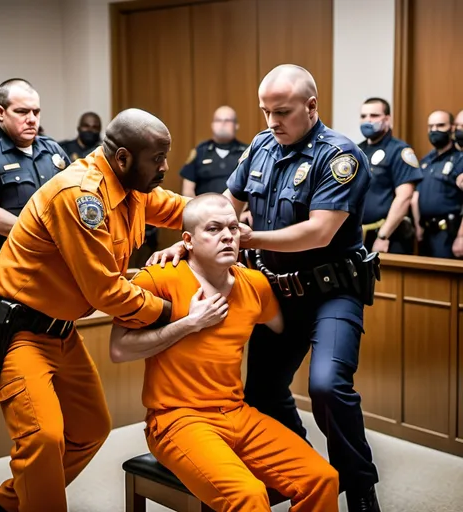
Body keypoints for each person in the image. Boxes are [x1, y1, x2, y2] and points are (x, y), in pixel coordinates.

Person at [148, 64, 382, 512]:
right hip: (277, 291)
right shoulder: (260, 146)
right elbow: (223, 206)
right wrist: (192, 242)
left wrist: (249, 238)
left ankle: (360, 488)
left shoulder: (341, 156)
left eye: (282, 112)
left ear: (311, 107)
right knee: (262, 392)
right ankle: (307, 466)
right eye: (265, 112)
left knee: (328, 385)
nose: (272, 122)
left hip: (331, 291)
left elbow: (319, 232)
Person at [0, 108, 188, 512]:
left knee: (90, 428)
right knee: (44, 436)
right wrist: (175, 311)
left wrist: (224, 220)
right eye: (157, 158)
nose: (165, 166)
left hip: (61, 330)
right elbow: (107, 293)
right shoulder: (81, 196)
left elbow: (180, 208)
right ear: (123, 158)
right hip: (18, 329)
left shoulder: (132, 186)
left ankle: (7, 503)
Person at [111, 193, 339, 512]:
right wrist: (189, 323)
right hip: (177, 419)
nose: (227, 236)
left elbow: (282, 327)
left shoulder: (254, 285)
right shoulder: (159, 278)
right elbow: (118, 349)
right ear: (187, 240)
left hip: (237, 412)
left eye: (233, 227)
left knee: (322, 478)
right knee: (248, 496)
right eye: (214, 229)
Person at [0, 78, 70, 290]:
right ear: (0, 112)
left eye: (36, 112)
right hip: (6, 268)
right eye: (22, 112)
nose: (31, 119)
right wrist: (45, 235)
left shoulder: (53, 150)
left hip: (53, 268)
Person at [358, 98, 423, 254]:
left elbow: (404, 197)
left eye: (374, 115)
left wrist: (383, 236)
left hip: (389, 237)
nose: (368, 120)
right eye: (363, 116)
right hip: (359, 237)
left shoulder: (399, 151)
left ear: (387, 119)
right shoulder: (357, 151)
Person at [411, 110, 463, 258]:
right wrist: (418, 225)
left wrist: (461, 236)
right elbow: (416, 196)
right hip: (425, 232)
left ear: (452, 128)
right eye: (431, 126)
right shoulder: (426, 160)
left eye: (440, 125)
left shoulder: (460, 159)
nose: (434, 130)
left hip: (449, 233)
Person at [180, 106, 247, 197]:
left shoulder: (247, 153)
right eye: (218, 120)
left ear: (236, 125)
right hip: (203, 209)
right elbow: (188, 190)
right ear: (212, 125)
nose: (223, 124)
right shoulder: (200, 151)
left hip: (238, 210)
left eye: (227, 120)